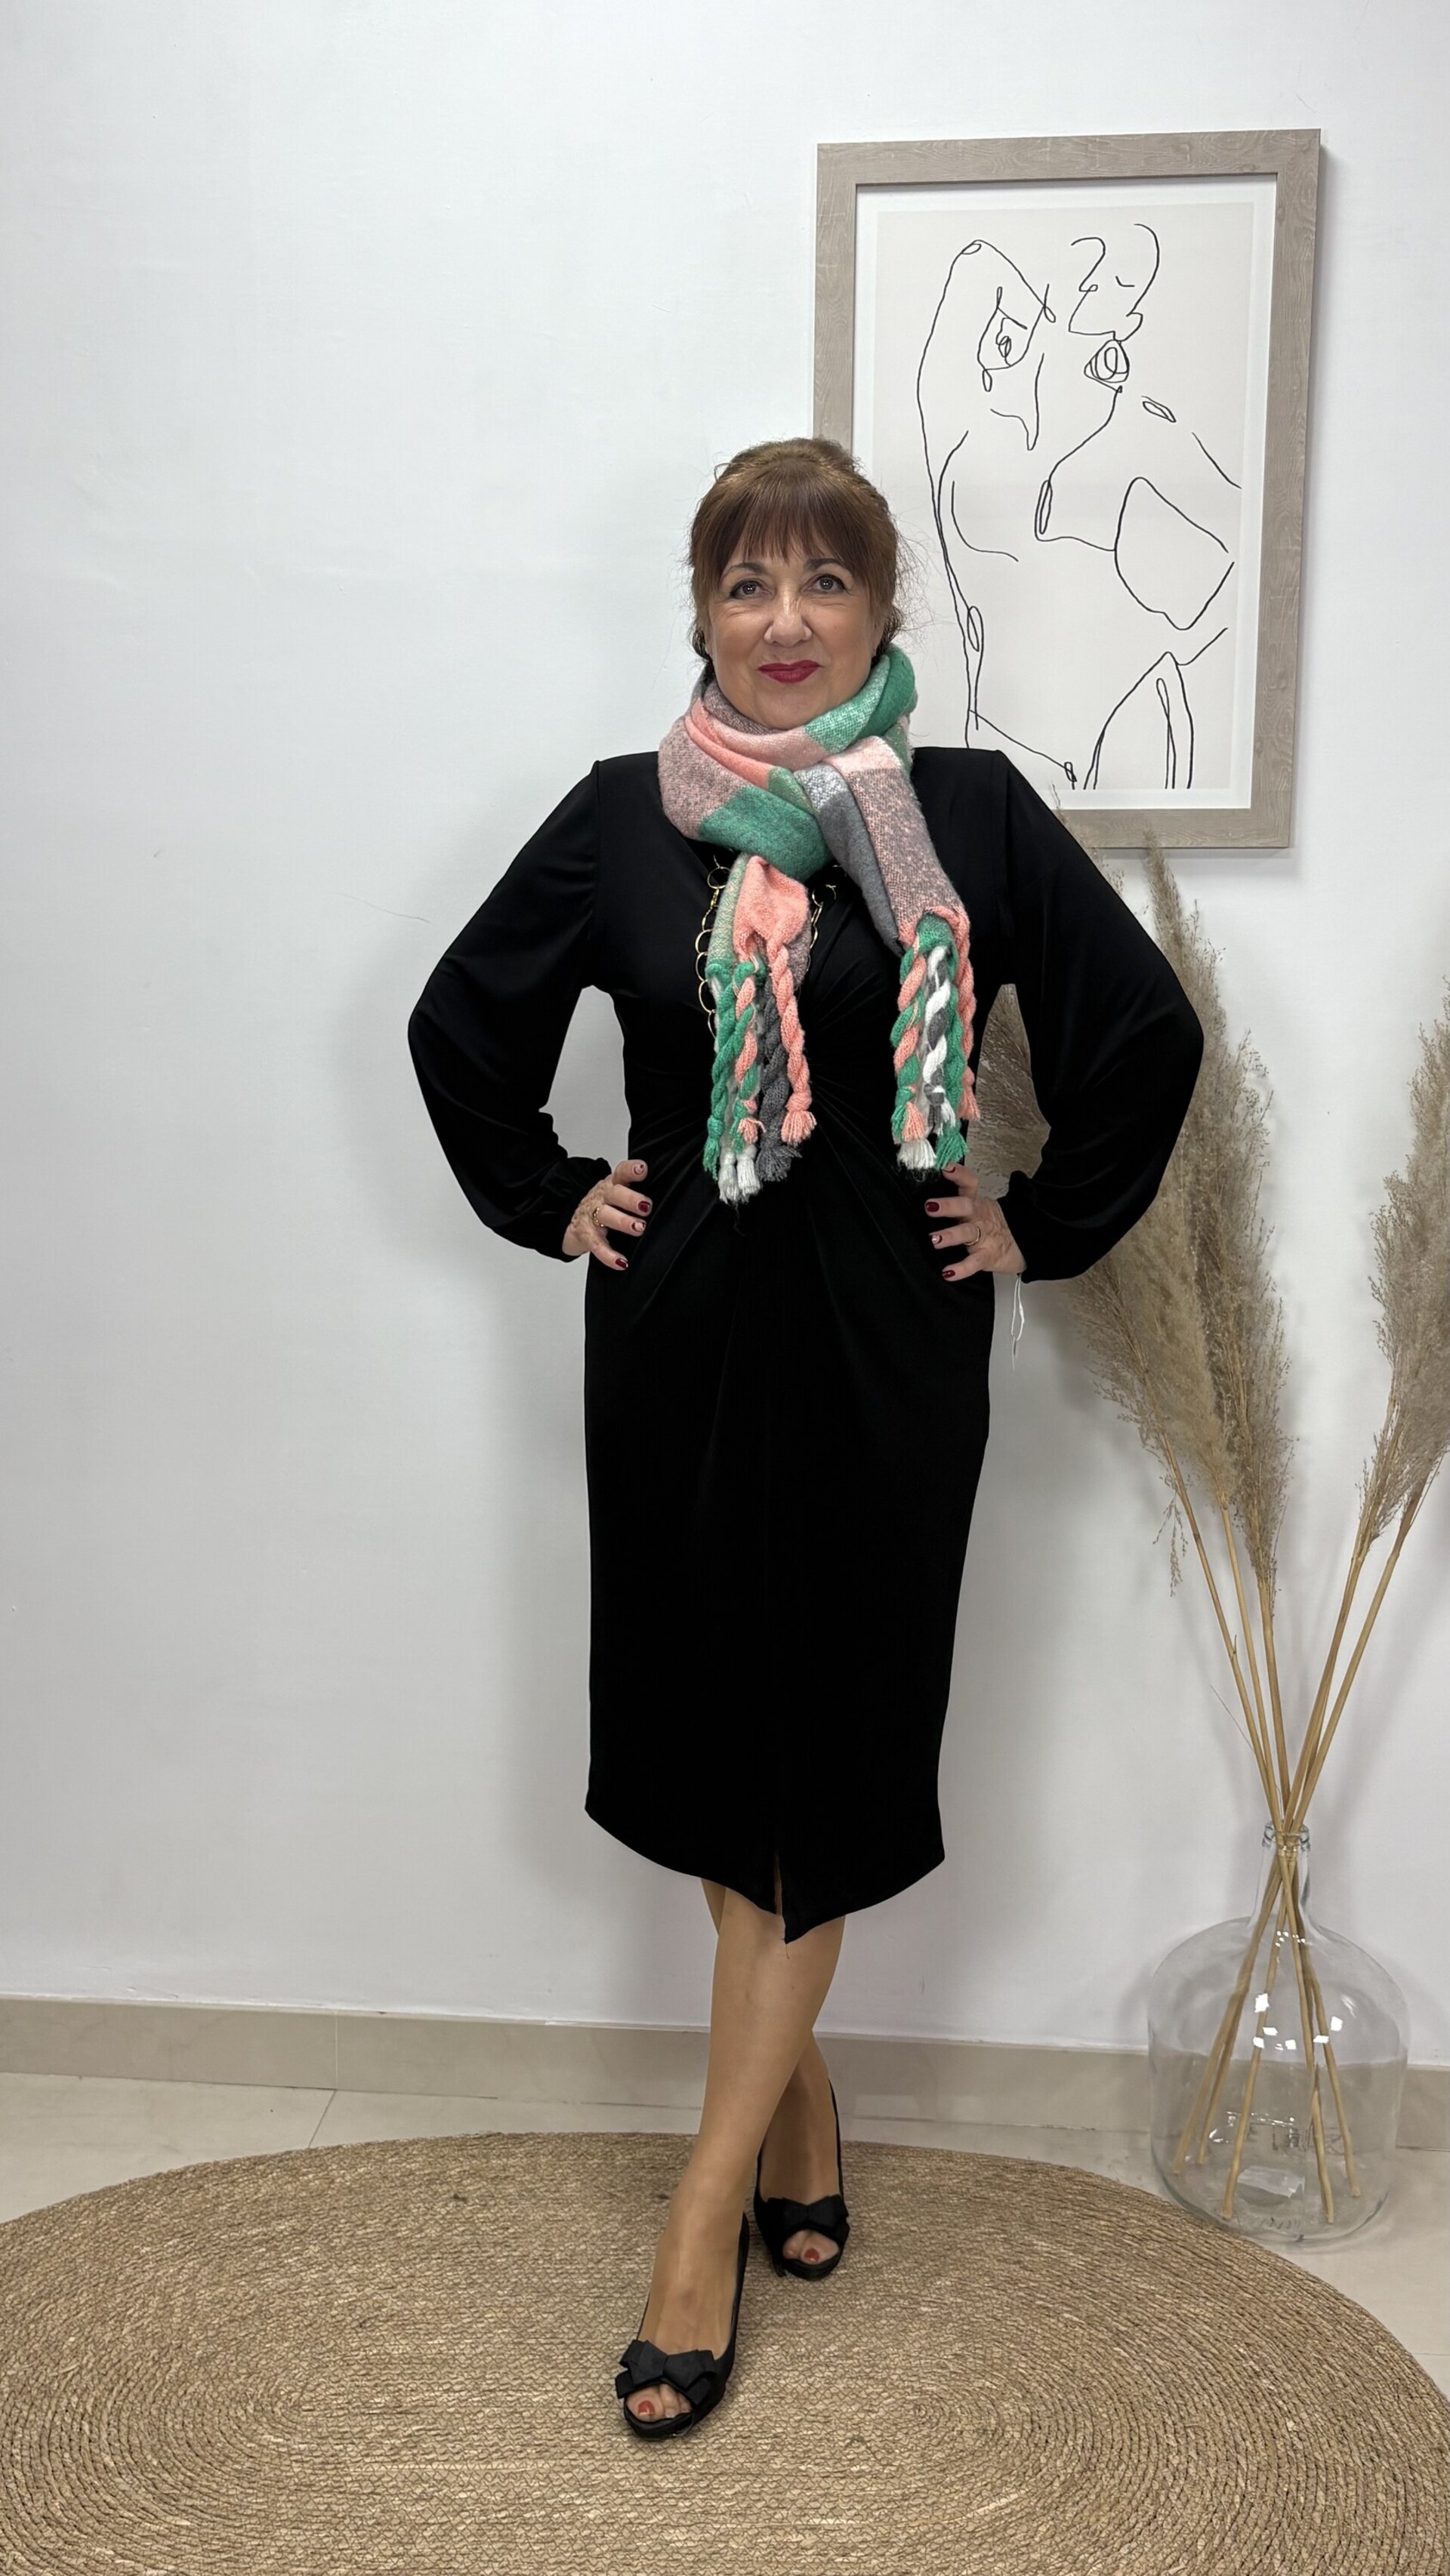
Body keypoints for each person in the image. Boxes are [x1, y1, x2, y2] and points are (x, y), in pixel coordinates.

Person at [406, 435, 1205, 2439]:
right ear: (700, 614)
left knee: (820, 1749)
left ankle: (703, 2208)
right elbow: (459, 1025)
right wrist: (551, 1193)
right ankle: (799, 2111)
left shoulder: (969, 816)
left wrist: (1039, 1220)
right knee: (714, 1737)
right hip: (678, 1331)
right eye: (747, 584)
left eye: (824, 583)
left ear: (883, 614)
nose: (784, 621)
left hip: (883, 1346)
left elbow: (1143, 1032)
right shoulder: (622, 819)